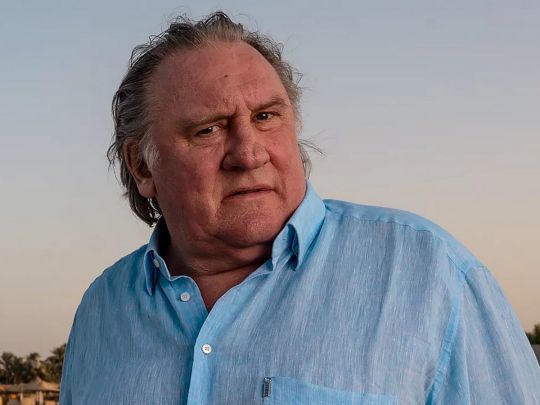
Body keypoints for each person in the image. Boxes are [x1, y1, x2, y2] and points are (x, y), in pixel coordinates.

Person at [60, 11, 540, 404]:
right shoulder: (102, 310)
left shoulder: (433, 275)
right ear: (142, 166)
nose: (249, 153)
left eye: (266, 116)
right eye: (208, 129)